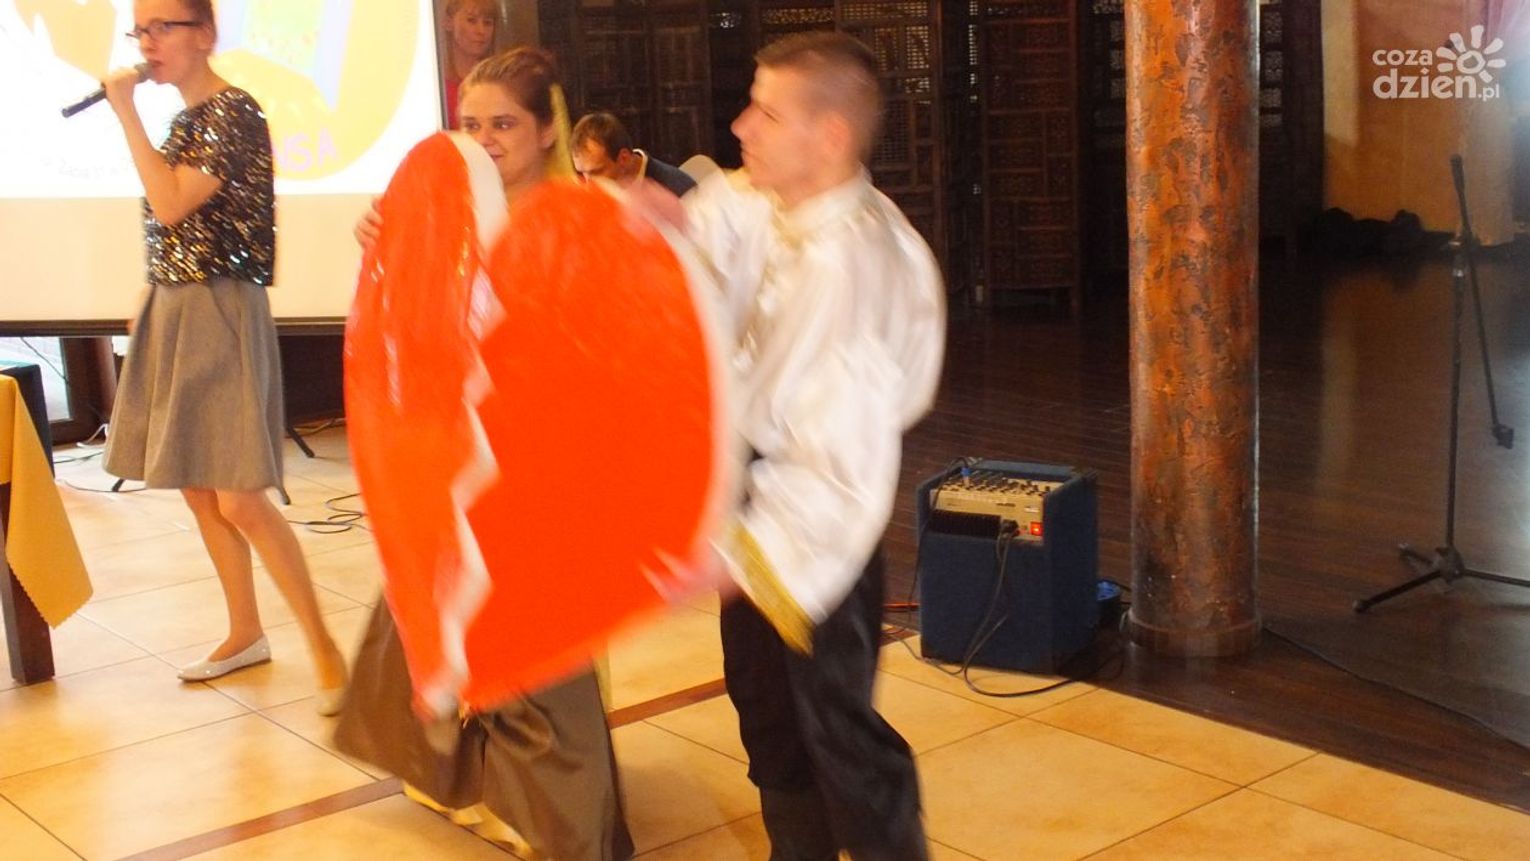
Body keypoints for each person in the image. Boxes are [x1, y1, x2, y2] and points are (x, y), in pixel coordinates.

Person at [336, 47, 635, 861]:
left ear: (546, 130)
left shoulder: (581, 219)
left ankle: (574, 830)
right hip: (461, 462)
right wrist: (387, 248)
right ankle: (491, 789)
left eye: (504, 123)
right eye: (470, 123)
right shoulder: (449, 212)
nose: (486, 138)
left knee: (538, 663)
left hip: (542, 466)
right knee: (442, 629)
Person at [682, 31, 945, 860]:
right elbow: (713, 224)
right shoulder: (780, 203)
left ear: (828, 136)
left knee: (836, 731)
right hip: (760, 501)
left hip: (819, 526)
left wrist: (743, 557)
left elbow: (837, 461)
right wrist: (650, 217)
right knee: (768, 714)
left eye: (766, 112)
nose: (740, 126)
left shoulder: (851, 265)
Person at [102, 0, 347, 714]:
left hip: (222, 308)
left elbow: (172, 202)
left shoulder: (233, 111)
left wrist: (124, 112)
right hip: (177, 303)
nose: (147, 42)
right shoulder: (184, 122)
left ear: (204, 34)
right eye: (140, 30)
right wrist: (150, 290)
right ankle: (245, 630)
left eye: (162, 27)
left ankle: (325, 648)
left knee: (239, 493)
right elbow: (175, 227)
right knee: (198, 484)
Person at [571, 111, 697, 197]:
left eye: (597, 172)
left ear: (624, 158)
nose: (588, 186)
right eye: (581, 173)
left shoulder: (677, 191)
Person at [439, 0, 497, 129]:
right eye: (471, 20)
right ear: (448, 23)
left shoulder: (500, 82)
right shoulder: (436, 85)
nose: (481, 31)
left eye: (487, 23)